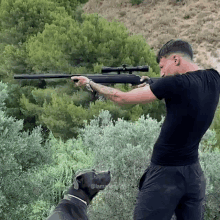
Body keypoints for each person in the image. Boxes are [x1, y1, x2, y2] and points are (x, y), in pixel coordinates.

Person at [71, 39, 220, 220]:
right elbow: (189, 96)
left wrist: (90, 84)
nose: (162, 73)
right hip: (193, 175)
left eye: (162, 67)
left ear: (176, 60)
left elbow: (122, 98)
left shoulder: (173, 84)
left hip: (165, 174)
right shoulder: (213, 78)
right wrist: (152, 84)